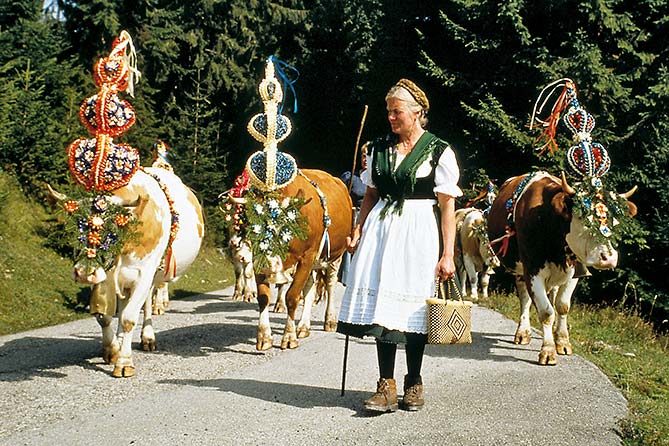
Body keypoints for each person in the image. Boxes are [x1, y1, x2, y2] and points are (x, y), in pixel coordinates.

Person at [337, 78, 462, 413]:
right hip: (381, 231)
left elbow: (447, 204)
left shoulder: (438, 150)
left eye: (397, 112)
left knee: (414, 310)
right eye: (389, 112)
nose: (391, 118)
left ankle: (414, 382)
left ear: (417, 113)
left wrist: (448, 254)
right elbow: (372, 194)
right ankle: (385, 386)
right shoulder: (378, 148)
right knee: (382, 307)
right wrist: (358, 230)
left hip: (419, 232)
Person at [338, 142, 369, 285]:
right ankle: (346, 277)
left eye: (369, 156)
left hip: (370, 217)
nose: (365, 159)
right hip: (353, 215)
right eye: (363, 156)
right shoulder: (351, 177)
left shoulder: (379, 180)